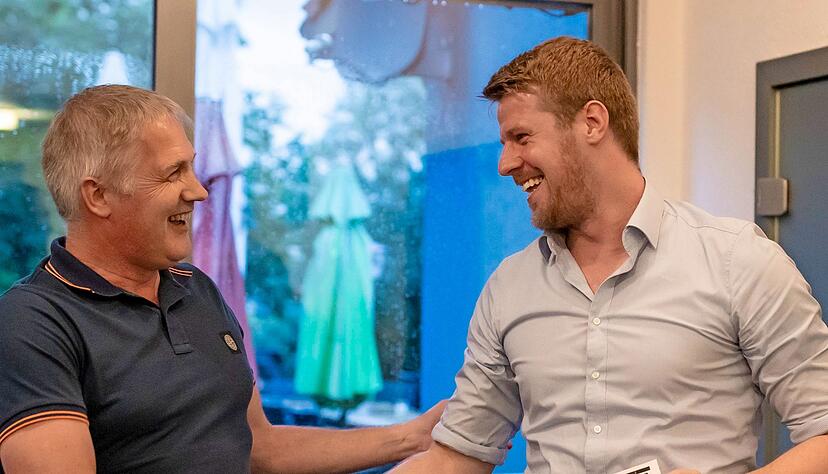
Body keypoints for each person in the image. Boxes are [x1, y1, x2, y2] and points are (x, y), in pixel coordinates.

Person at [392, 37, 828, 473]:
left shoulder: (740, 262)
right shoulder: (509, 287)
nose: (505, 164)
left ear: (593, 122)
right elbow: (456, 457)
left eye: (521, 137)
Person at [0, 84, 443, 473]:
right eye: (173, 172)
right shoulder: (34, 321)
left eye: (191, 168)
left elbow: (260, 448)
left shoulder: (196, 289)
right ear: (98, 196)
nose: (198, 190)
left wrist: (414, 437)